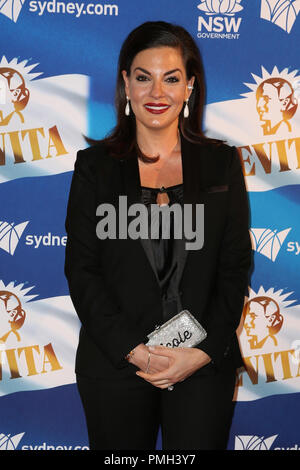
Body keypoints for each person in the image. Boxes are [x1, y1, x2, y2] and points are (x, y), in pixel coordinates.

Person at [64, 21, 252, 450]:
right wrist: (136, 351)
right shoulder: (95, 168)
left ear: (189, 87)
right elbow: (82, 269)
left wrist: (203, 352)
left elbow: (234, 264)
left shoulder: (221, 164)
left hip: (202, 364)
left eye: (171, 79)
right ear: (126, 85)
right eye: (143, 78)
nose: (157, 93)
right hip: (116, 365)